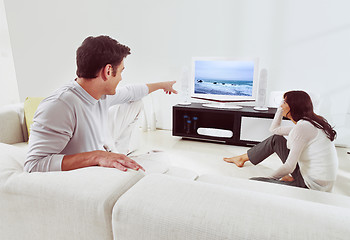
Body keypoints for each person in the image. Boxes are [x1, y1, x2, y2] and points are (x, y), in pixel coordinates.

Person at [24, 35, 177, 173]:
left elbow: (131, 92)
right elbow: (33, 164)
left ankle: (118, 155)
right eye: (121, 71)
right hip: (91, 171)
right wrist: (96, 156)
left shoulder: (99, 93)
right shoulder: (60, 106)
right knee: (161, 160)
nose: (121, 78)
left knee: (135, 103)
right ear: (108, 71)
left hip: (101, 153)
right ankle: (116, 161)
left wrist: (163, 85)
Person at [223, 90, 338, 192]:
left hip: (312, 186)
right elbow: (275, 130)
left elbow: (289, 167)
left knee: (253, 183)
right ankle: (241, 158)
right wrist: (280, 110)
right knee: (276, 139)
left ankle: (293, 181)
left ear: (293, 106)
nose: (281, 105)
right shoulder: (312, 122)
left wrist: (268, 179)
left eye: (284, 102)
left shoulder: (303, 128)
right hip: (318, 180)